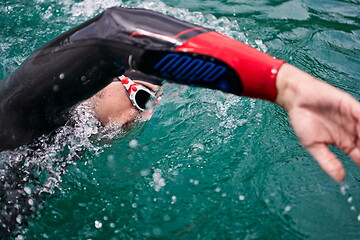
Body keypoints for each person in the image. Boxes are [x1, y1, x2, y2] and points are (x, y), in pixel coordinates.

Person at [0, 7, 359, 183]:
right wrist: (288, 86)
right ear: (100, 81)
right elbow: (112, 32)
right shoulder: (23, 118)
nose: (141, 119)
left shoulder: (55, 150)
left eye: (151, 105)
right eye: (141, 99)